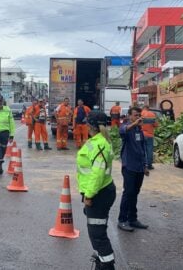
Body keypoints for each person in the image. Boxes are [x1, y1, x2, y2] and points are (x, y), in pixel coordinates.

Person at [76, 111, 116, 270]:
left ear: (90, 125)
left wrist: (89, 195)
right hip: (100, 192)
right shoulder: (100, 141)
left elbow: (97, 173)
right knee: (98, 231)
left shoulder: (99, 144)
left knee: (97, 235)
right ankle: (103, 259)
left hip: (98, 194)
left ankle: (106, 265)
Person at [117, 107, 149, 232]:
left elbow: (142, 149)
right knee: (128, 193)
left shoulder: (139, 130)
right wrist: (134, 123)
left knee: (135, 193)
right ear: (129, 116)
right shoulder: (125, 127)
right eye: (136, 115)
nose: (138, 117)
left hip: (139, 168)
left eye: (139, 115)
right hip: (129, 166)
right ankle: (122, 220)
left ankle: (132, 219)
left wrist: (145, 165)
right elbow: (123, 131)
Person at [141, 105, 158, 170]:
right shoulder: (152, 114)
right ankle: (149, 165)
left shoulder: (140, 114)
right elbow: (156, 125)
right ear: (148, 108)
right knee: (149, 150)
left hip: (141, 134)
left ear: (143, 108)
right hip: (149, 135)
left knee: (142, 149)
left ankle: (143, 164)